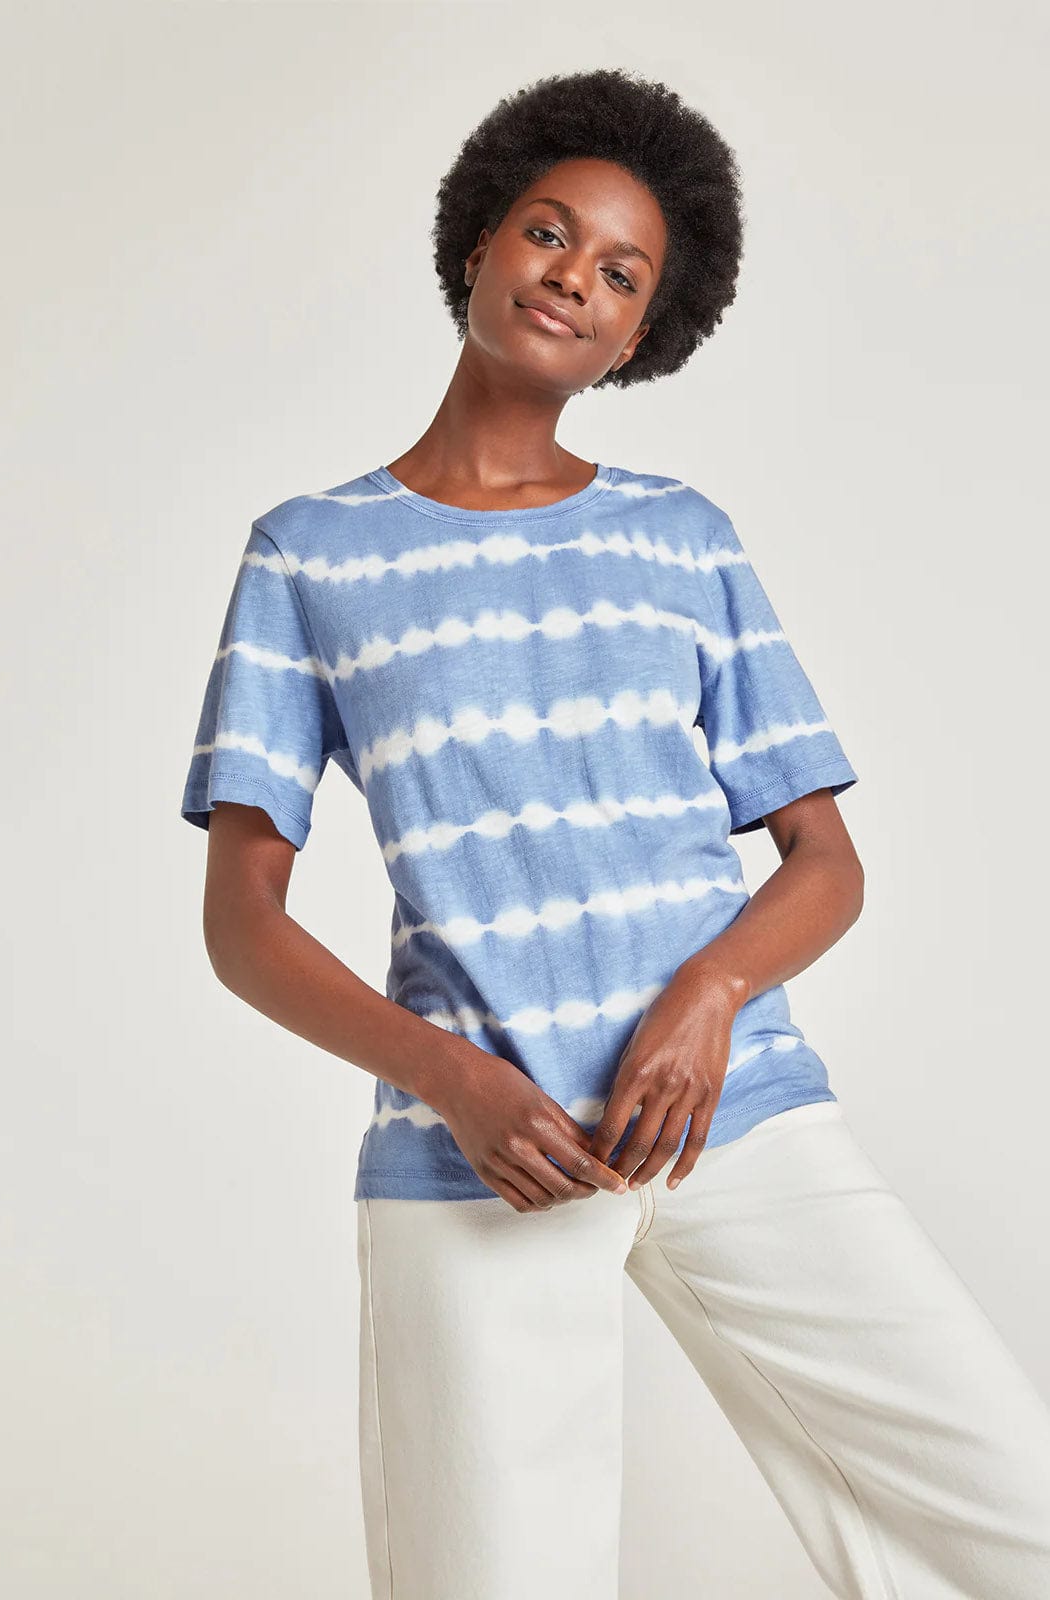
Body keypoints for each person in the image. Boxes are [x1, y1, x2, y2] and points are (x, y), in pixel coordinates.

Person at [179, 66, 1050, 1600]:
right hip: (483, 1154)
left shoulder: (678, 537)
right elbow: (240, 921)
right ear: (478, 246)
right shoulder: (309, 555)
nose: (572, 273)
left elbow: (825, 863)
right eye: (547, 232)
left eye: (620, 270)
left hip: (737, 1112)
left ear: (640, 333)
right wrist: (449, 1079)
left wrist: (709, 997)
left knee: (1007, 1507)